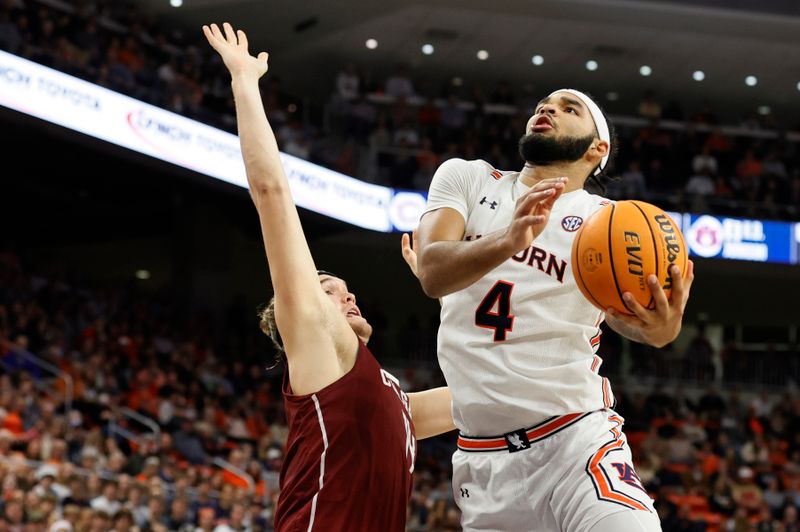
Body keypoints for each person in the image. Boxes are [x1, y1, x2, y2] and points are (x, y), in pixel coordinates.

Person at [202, 23, 455, 532]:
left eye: (343, 288)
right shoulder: (317, 341)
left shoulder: (389, 397)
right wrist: (245, 82)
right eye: (327, 289)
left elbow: (486, 393)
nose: (347, 293)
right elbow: (271, 191)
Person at [415, 88, 695, 531]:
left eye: (570, 109)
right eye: (545, 104)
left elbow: (650, 332)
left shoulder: (608, 223)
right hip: (483, 464)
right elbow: (431, 271)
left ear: (596, 149)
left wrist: (664, 326)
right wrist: (509, 240)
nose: (548, 109)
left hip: (576, 441)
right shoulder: (468, 178)